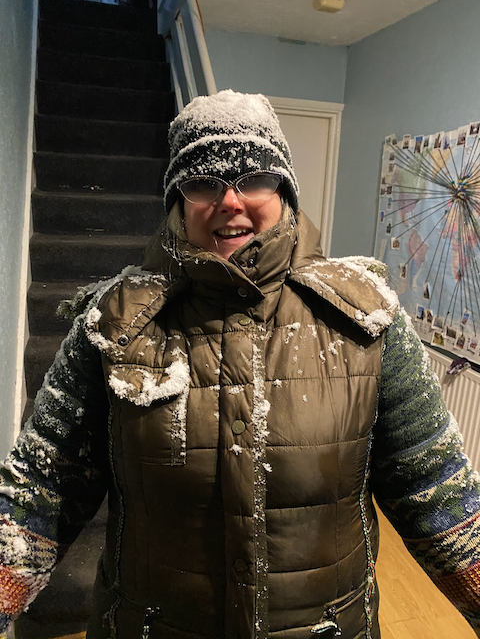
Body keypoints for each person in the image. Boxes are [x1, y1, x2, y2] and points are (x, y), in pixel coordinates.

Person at [0, 90, 479, 639]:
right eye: (204, 182)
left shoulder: (366, 321)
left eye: (254, 178)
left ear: (284, 192)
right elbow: (38, 492)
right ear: (178, 201)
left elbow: (441, 493)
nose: (230, 200)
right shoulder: (112, 324)